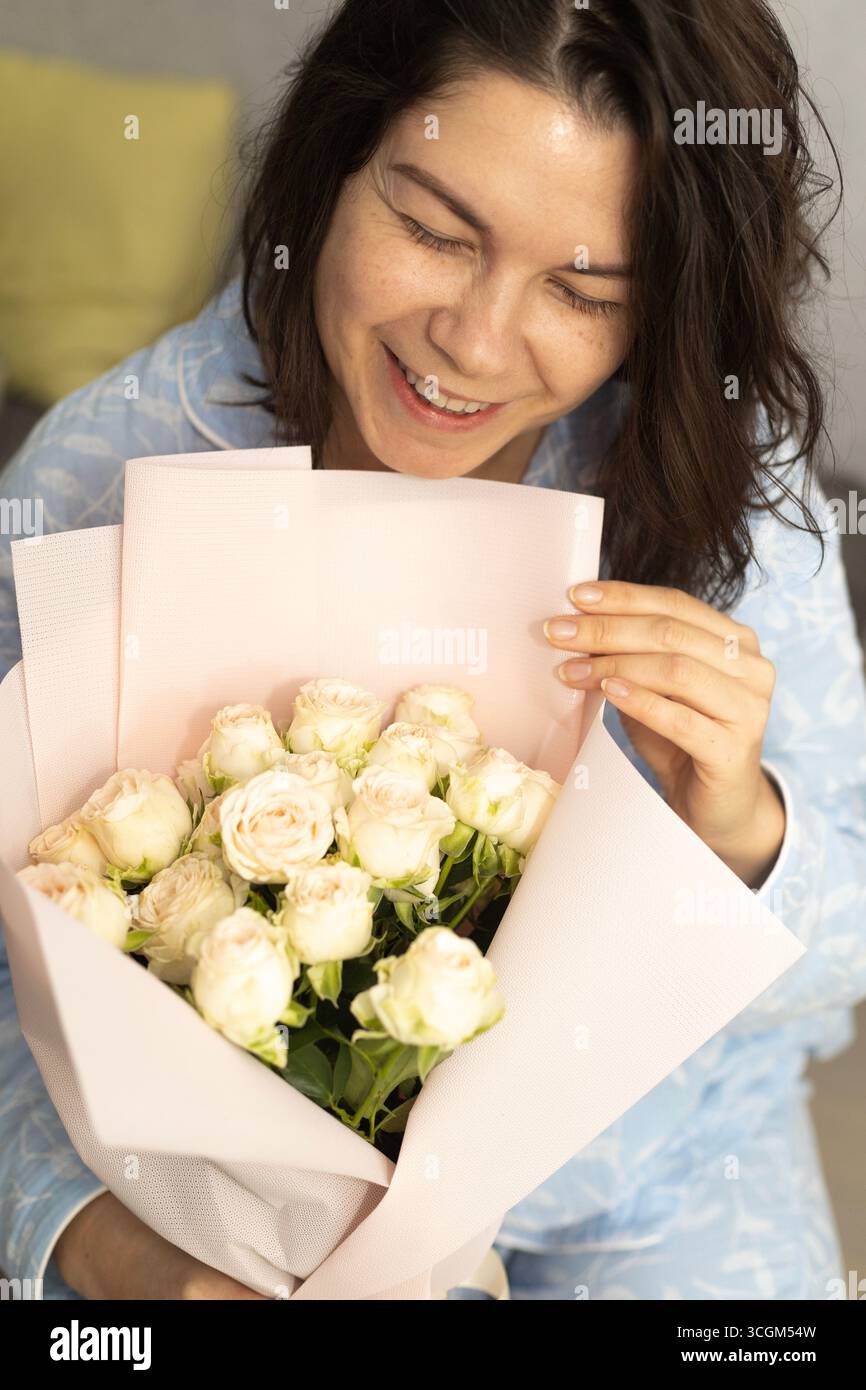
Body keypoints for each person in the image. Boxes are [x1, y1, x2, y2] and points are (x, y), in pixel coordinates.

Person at [1, 0, 865, 1301]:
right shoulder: (115, 468)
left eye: (581, 291)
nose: (469, 341)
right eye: (430, 231)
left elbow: (841, 953)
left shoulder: (735, 489)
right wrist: (106, 1246)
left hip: (666, 1161)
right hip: (242, 1205)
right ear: (333, 163)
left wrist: (744, 833)